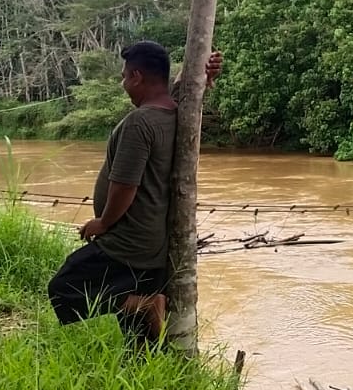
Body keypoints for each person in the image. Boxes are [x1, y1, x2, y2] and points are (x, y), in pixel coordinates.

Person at [47, 43, 222, 340]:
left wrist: (102, 223)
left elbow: (125, 187)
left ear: (138, 77)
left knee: (64, 289)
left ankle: (145, 305)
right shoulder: (178, 113)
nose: (123, 83)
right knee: (139, 341)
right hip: (153, 244)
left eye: (125, 76)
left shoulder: (139, 123)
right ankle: (154, 367)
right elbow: (182, 89)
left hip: (127, 244)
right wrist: (202, 73)